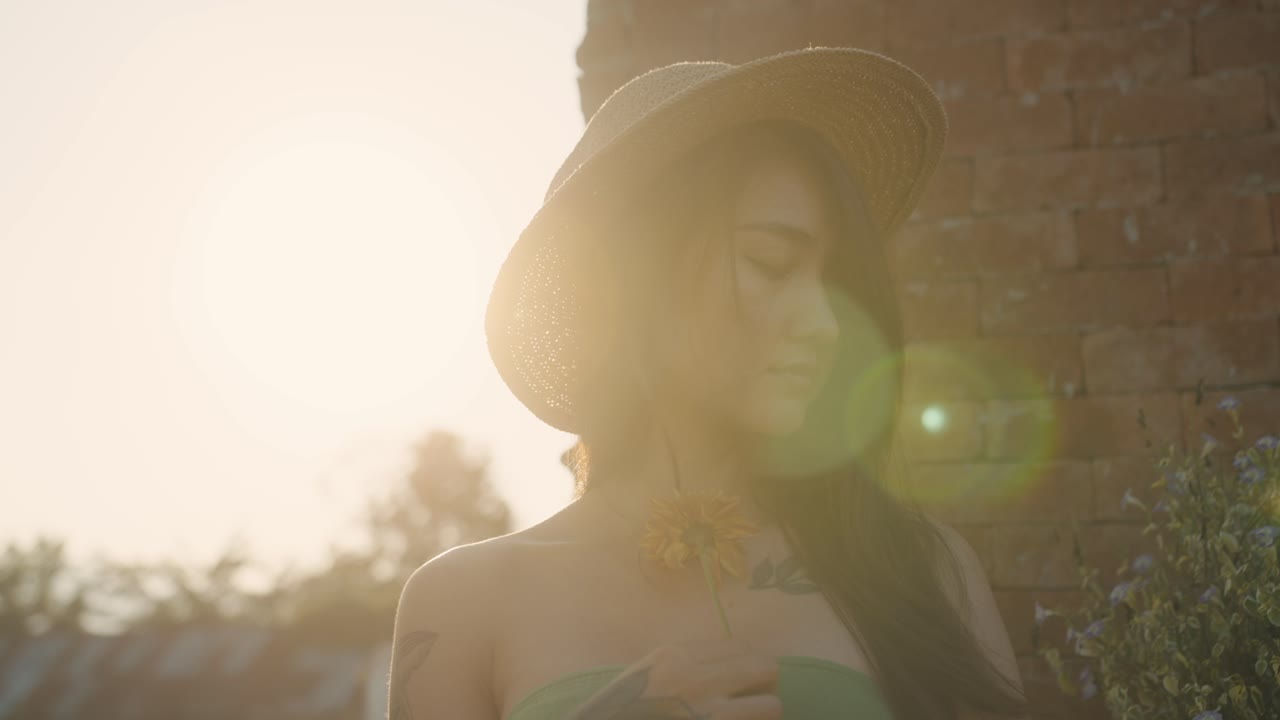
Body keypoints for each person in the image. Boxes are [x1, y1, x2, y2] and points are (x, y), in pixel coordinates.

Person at [388, 47, 1043, 720]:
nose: (825, 324)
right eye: (769, 261)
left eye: (836, 282)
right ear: (638, 276)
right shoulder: (466, 600)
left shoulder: (920, 570)